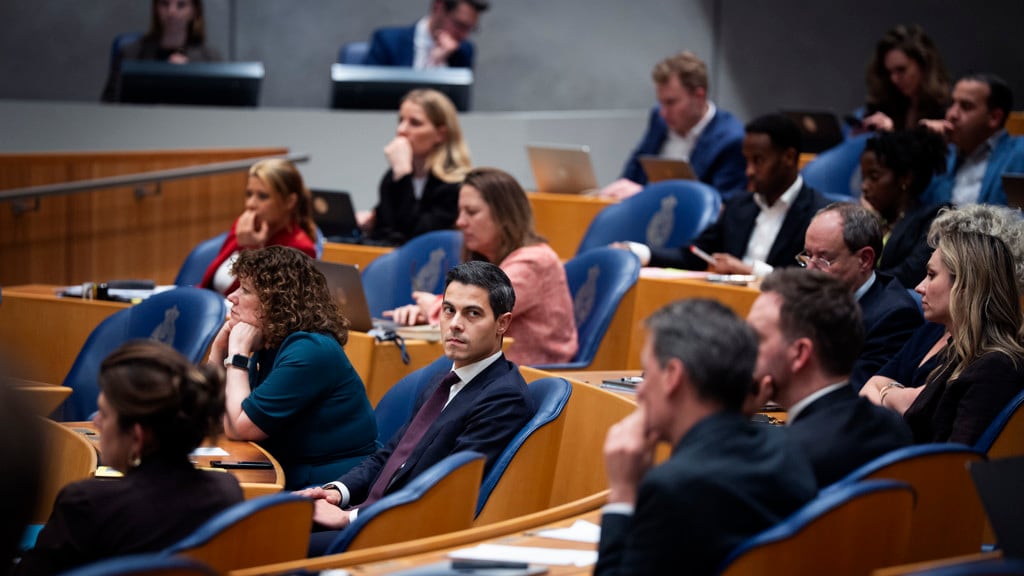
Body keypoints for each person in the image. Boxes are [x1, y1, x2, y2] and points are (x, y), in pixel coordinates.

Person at [298, 261, 535, 554]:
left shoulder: (503, 397)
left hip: (400, 536)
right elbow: (389, 457)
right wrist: (337, 493)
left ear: (503, 323)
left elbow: (442, 489)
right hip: (369, 514)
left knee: (271, 548)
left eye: (472, 313)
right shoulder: (442, 379)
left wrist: (350, 518)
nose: (455, 323)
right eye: (449, 310)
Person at [595, 299, 816, 576]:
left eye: (647, 374)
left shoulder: (673, 487)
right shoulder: (788, 449)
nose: (640, 392)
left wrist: (623, 493)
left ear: (672, 376)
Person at [17, 341, 243, 575]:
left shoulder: (86, 504)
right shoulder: (227, 493)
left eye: (104, 414)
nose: (96, 422)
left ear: (137, 436)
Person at [207, 246, 378, 490]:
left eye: (245, 290)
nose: (231, 298)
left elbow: (239, 428)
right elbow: (203, 414)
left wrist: (237, 356)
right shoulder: (270, 341)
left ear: (275, 302)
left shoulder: (309, 350)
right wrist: (217, 351)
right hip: (286, 471)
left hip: (328, 486)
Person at [861, 205, 1024, 444]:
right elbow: (869, 387)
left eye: (931, 275)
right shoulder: (952, 342)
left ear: (966, 286)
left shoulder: (996, 366)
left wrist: (888, 395)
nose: (919, 287)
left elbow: (955, 465)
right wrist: (896, 397)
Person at [385, 168, 578, 366]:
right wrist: (425, 313)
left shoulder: (535, 261)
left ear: (505, 215)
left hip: (533, 378)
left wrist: (432, 309)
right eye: (460, 212)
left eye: (472, 212)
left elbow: (483, 305)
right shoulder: (491, 259)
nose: (460, 222)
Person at [749, 269, 911, 487]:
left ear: (799, 353)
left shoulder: (783, 457)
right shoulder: (893, 427)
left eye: (757, 338)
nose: (746, 348)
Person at [622, 114, 828, 276]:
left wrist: (753, 272)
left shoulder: (820, 214)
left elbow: (816, 278)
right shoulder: (739, 205)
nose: (749, 171)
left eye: (758, 161)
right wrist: (638, 251)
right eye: (746, 161)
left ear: (789, 158)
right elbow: (693, 255)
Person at [800, 203, 922, 390]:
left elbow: (855, 392)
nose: (810, 270)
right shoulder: (811, 294)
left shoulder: (895, 317)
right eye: (808, 256)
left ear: (865, 259)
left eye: (824, 259)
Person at [600, 51, 746, 199]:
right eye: (661, 102)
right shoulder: (659, 118)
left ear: (699, 96)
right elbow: (635, 169)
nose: (663, 112)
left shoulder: (731, 140)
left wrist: (644, 195)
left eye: (671, 103)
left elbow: (722, 206)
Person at [358, 89, 472, 245]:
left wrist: (403, 175)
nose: (401, 130)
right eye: (401, 120)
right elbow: (385, 233)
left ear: (440, 134)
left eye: (415, 123)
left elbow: (418, 236)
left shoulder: (457, 185)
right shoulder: (392, 177)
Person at [199, 158, 317, 295]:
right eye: (249, 194)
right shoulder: (244, 225)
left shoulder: (299, 248)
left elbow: (248, 301)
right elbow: (209, 280)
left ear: (289, 201)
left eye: (262, 196)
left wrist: (252, 252)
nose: (250, 204)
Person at [860, 126, 949, 287]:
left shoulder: (934, 220)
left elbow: (909, 275)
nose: (864, 186)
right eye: (863, 177)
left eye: (874, 177)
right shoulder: (872, 217)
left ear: (905, 178)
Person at [921, 73, 1024, 206]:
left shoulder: (1019, 153)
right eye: (952, 104)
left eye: (966, 106)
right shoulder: (944, 152)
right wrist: (921, 143)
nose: (952, 114)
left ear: (994, 118)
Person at [101, 0, 222, 102]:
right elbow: (110, 103)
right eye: (165, 4)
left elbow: (218, 108)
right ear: (156, 9)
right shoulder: (130, 53)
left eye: (181, 5)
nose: (171, 12)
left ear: (194, 11)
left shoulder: (210, 58)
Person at [860, 24, 950, 133]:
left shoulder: (948, 110)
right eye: (889, 72)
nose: (894, 79)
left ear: (924, 65)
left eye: (901, 70)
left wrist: (889, 135)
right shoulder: (887, 105)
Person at [363, 0, 488, 69]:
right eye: (460, 25)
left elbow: (455, 107)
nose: (464, 35)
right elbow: (368, 95)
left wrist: (440, 61)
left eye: (470, 29)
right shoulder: (388, 41)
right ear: (438, 8)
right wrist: (431, 63)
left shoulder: (463, 51)